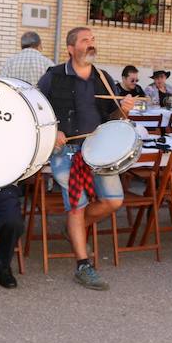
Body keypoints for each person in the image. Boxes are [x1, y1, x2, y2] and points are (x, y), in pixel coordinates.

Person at [37, 27, 135, 290]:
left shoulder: (103, 78)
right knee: (77, 206)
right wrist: (52, 130)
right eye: (85, 41)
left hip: (99, 151)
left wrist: (123, 111)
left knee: (114, 201)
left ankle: (73, 230)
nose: (91, 44)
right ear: (71, 48)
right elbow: (35, 112)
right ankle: (83, 265)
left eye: (92, 40)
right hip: (67, 153)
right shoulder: (53, 77)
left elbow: (113, 119)